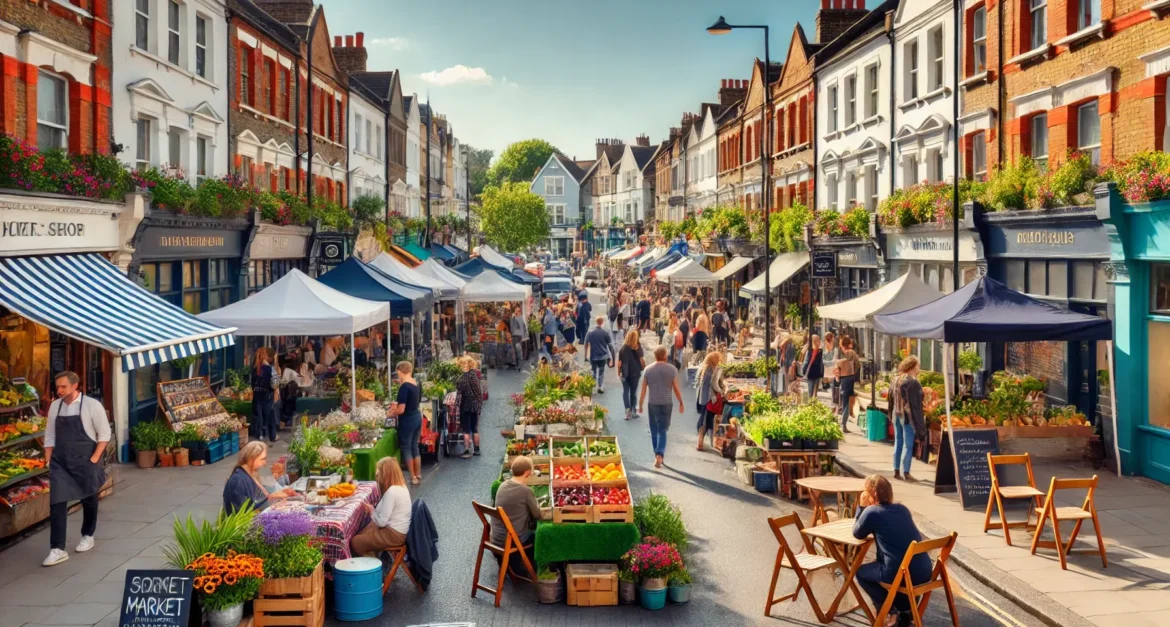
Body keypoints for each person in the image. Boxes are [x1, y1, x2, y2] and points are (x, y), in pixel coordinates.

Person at [42, 372, 110, 567]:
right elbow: (50, 435)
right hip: (61, 463)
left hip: (85, 460)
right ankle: (57, 549)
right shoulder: (55, 406)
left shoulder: (91, 405)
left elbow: (104, 433)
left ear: (75, 386)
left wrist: (94, 459)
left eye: (63, 387)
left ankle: (88, 535)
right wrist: (48, 460)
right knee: (57, 503)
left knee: (89, 498)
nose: (59, 390)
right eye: (58, 387)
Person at [853, 475, 933, 627]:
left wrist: (862, 506)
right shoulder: (902, 509)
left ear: (872, 495)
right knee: (897, 569)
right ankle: (906, 613)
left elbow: (858, 533)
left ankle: (889, 611)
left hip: (901, 574)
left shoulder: (872, 512)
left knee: (861, 573)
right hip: (924, 572)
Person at [351, 457, 412, 557]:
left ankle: (372, 568)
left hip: (393, 534)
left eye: (378, 472)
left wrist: (371, 511)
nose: (377, 475)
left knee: (356, 541)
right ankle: (372, 560)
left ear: (385, 474)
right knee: (363, 531)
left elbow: (381, 523)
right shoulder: (401, 486)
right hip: (398, 530)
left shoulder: (392, 492)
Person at [638, 346, 684, 469]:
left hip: (652, 403)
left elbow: (643, 390)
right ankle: (660, 454)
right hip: (666, 403)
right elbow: (675, 388)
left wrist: (640, 404)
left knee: (654, 429)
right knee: (663, 430)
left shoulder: (648, 370)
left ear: (655, 356)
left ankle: (656, 453)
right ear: (665, 356)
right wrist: (681, 402)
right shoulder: (672, 370)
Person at [222, 441, 296, 515]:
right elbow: (242, 512)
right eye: (262, 459)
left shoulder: (250, 473)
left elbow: (257, 499)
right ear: (251, 458)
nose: (265, 463)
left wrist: (278, 494)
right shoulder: (238, 480)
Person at [492, 456, 550, 546]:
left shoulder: (502, 485)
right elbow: (537, 515)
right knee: (542, 534)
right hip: (513, 539)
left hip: (497, 537)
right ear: (527, 473)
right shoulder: (526, 491)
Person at [891, 356, 926, 482]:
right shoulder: (913, 382)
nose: (918, 369)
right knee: (908, 444)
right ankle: (906, 472)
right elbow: (915, 403)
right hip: (907, 416)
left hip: (896, 413)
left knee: (898, 442)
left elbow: (890, 397)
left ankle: (896, 470)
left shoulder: (895, 379)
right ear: (912, 367)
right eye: (917, 366)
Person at [389, 361, 423, 485]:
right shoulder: (416, 383)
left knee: (406, 448)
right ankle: (418, 475)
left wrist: (391, 413)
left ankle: (412, 477)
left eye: (397, 372)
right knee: (415, 447)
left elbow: (401, 410)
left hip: (408, 420)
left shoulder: (404, 387)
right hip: (417, 417)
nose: (397, 376)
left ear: (400, 371)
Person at [695, 351, 725, 451]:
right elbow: (712, 385)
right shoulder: (711, 370)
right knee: (706, 419)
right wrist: (720, 391)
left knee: (703, 417)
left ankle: (701, 440)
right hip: (708, 398)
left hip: (701, 397)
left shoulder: (703, 367)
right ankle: (701, 440)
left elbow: (698, 382)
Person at [455, 356, 483, 459]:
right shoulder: (474, 376)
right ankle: (477, 449)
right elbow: (478, 392)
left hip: (465, 405)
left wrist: (457, 406)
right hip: (475, 405)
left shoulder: (461, 379)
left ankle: (467, 450)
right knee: (475, 428)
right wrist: (479, 404)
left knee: (466, 430)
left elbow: (459, 394)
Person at [250, 347, 279, 443]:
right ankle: (272, 435)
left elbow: (252, 384)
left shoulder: (254, 369)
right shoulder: (270, 369)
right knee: (270, 414)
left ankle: (260, 434)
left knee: (259, 416)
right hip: (267, 395)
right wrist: (274, 390)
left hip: (257, 395)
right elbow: (275, 383)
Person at [616, 330, 646, 420]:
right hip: (635, 373)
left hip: (625, 373)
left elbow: (619, 363)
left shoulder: (623, 348)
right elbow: (642, 361)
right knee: (633, 393)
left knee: (625, 391)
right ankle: (633, 412)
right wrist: (643, 366)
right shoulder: (638, 348)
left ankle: (627, 412)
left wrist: (619, 373)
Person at [279, 355, 314, 430]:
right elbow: (302, 383)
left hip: (290, 399)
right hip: (290, 400)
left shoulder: (289, 370)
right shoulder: (291, 372)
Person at [836, 336, 862, 433]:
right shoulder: (852, 353)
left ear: (842, 345)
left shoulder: (845, 353)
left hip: (844, 379)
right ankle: (843, 424)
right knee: (846, 401)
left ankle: (843, 424)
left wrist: (838, 368)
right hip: (850, 378)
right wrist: (854, 373)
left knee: (844, 401)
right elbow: (858, 365)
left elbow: (840, 365)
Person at [584, 316, 615, 393]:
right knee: (601, 372)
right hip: (603, 356)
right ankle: (600, 387)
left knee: (593, 371)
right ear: (602, 323)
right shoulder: (605, 333)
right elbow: (610, 347)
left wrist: (585, 356)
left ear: (596, 322)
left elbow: (586, 344)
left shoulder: (590, 333)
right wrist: (613, 359)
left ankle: (593, 387)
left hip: (593, 356)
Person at [801, 334, 824, 400]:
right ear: (813, 341)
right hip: (809, 373)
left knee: (815, 393)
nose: (819, 342)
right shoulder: (809, 350)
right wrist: (803, 372)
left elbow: (821, 363)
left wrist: (822, 374)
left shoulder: (821, 351)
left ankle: (812, 405)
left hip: (817, 373)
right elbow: (805, 361)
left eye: (819, 340)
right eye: (817, 341)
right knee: (809, 391)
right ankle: (806, 405)